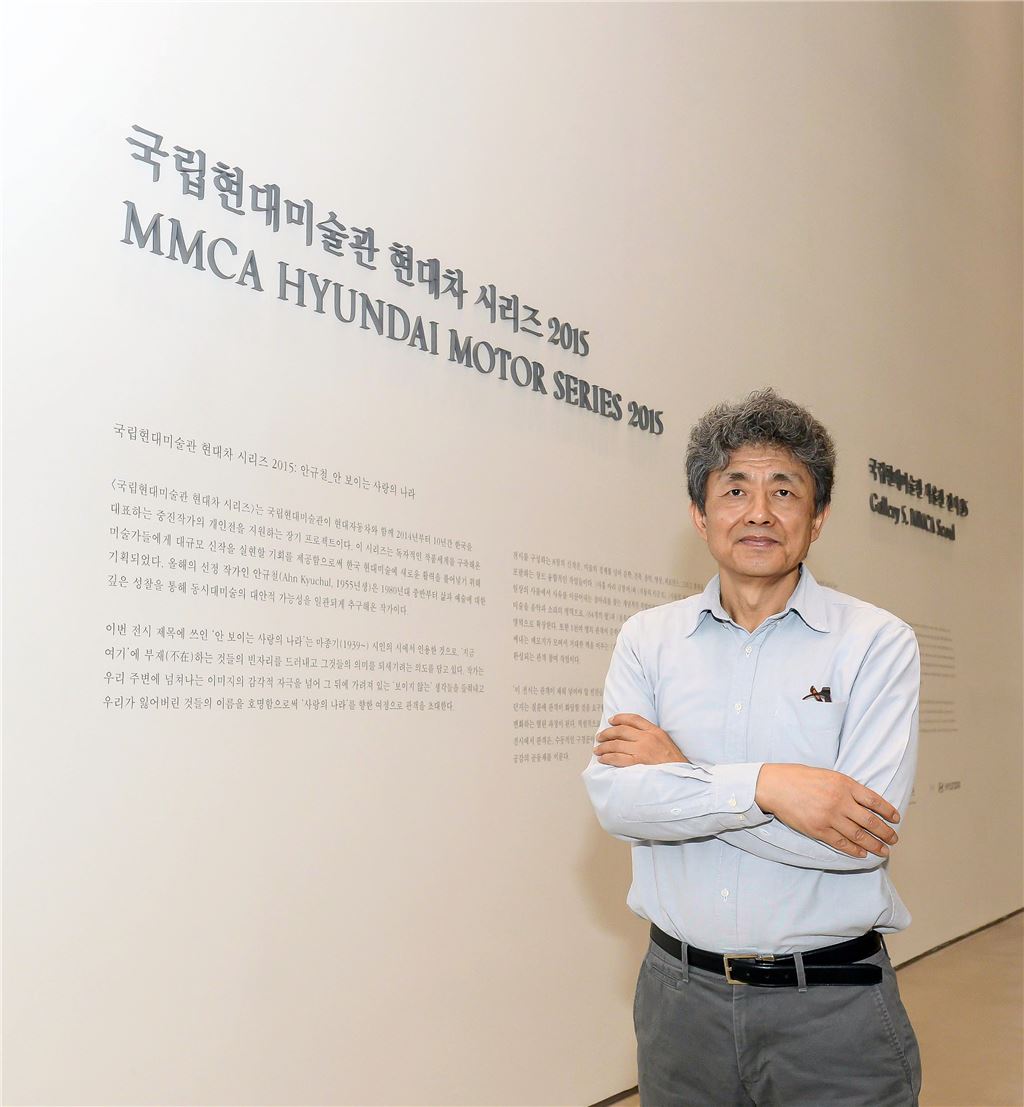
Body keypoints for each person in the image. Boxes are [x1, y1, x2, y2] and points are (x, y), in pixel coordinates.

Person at [583, 388, 922, 1107]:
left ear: (818, 516)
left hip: (832, 1009)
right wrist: (771, 786)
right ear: (700, 514)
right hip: (678, 1005)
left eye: (784, 490)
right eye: (734, 489)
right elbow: (619, 804)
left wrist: (680, 774)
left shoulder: (876, 643)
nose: (759, 512)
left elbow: (857, 842)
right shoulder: (648, 640)